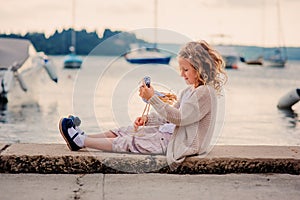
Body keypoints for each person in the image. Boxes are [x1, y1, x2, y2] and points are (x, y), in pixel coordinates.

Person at [59, 40, 227, 169]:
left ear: (199, 68)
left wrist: (153, 98)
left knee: (130, 142)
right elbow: (169, 117)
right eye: (181, 69)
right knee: (125, 130)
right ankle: (83, 137)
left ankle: (81, 141)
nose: (181, 74)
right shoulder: (189, 91)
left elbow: (180, 118)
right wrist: (148, 119)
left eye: (186, 70)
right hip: (172, 134)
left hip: (180, 143)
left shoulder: (205, 93)